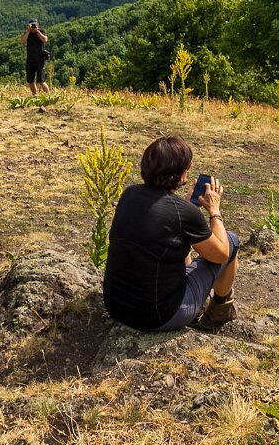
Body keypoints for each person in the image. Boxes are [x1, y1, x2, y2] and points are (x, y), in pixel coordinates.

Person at [102, 135, 238, 332]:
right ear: (182, 173)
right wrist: (214, 211)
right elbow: (221, 253)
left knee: (177, 245)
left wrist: (188, 205)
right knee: (232, 241)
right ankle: (217, 314)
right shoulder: (182, 213)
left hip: (117, 307)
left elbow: (166, 227)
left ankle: (199, 308)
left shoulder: (129, 194)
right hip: (157, 317)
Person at [22, 19, 51, 96]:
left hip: (40, 60)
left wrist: (37, 31)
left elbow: (45, 40)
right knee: (30, 81)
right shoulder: (28, 33)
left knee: (41, 81)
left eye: (35, 25)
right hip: (30, 60)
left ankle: (48, 96)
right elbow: (22, 41)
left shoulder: (42, 31)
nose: (33, 27)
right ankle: (35, 96)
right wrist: (28, 31)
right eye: (32, 25)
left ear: (38, 25)